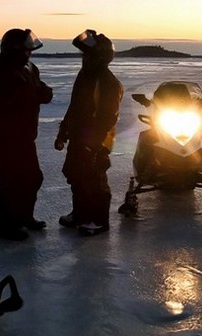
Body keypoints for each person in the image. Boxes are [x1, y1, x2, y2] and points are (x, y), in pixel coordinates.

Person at [0, 28, 53, 241]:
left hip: (24, 135)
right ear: (15, 49)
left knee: (32, 178)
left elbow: (42, 91)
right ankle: (5, 226)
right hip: (5, 136)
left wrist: (40, 92)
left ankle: (24, 217)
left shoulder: (28, 68)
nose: (29, 53)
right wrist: (27, 94)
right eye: (26, 50)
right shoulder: (0, 71)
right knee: (11, 181)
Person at [54, 30, 123, 236]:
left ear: (98, 57)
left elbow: (107, 117)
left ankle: (98, 221)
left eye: (87, 55)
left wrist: (93, 143)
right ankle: (80, 213)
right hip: (79, 137)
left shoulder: (108, 82)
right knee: (76, 175)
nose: (82, 59)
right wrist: (63, 132)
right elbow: (74, 107)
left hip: (97, 141)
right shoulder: (85, 75)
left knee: (95, 180)